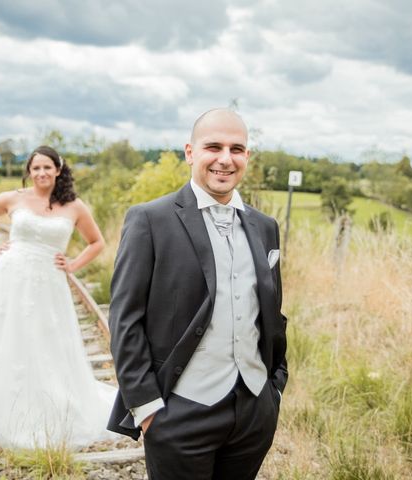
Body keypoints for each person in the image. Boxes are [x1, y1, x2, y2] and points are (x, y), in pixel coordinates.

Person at [107, 109, 288, 479]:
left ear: (247, 157)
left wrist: (275, 390)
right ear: (190, 152)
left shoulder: (265, 227)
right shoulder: (150, 219)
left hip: (254, 410)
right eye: (214, 147)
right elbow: (125, 320)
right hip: (180, 412)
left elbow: (272, 314)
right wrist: (147, 408)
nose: (225, 158)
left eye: (237, 149)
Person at [0, 145, 117, 449]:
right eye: (36, 168)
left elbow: (97, 242)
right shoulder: (15, 198)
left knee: (44, 341)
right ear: (29, 171)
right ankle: (0, 402)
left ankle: (48, 404)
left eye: (47, 168)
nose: (41, 173)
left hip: (49, 283)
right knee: (6, 337)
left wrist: (73, 265)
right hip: (9, 278)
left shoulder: (74, 206)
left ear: (58, 170)